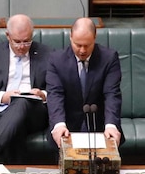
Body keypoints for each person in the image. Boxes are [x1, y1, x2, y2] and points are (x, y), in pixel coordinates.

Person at [0, 14, 54, 164]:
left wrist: (43, 94)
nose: (22, 47)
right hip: (1, 113)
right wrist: (3, 96)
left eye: (27, 41)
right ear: (8, 36)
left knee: (21, 102)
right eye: (17, 42)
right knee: (16, 129)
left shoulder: (48, 54)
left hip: (35, 112)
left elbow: (57, 87)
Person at [46, 18, 123, 149]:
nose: (82, 50)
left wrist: (111, 125)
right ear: (70, 37)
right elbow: (55, 95)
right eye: (78, 45)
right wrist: (59, 125)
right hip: (67, 128)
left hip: (100, 127)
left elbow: (112, 94)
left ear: (95, 37)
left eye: (87, 45)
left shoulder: (109, 58)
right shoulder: (56, 60)